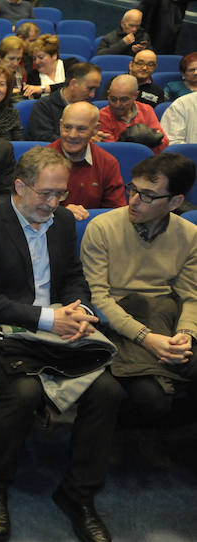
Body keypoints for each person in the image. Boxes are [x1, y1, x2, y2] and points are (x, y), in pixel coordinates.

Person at [0, 146, 122, 542]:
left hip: (59, 329)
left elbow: (73, 274)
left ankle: (78, 494)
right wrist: (49, 317)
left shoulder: (64, 222)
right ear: (20, 186)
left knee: (107, 390)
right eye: (45, 193)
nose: (53, 203)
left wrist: (79, 308)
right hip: (6, 332)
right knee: (22, 392)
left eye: (60, 194)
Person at [81, 153, 197, 455]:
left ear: (174, 202)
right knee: (152, 400)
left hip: (166, 315)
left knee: (186, 360)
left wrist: (186, 334)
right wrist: (147, 338)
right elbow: (99, 298)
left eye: (147, 196)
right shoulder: (103, 227)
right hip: (120, 319)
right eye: (133, 189)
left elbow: (189, 295)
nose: (133, 201)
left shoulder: (189, 234)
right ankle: (134, 432)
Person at [47, 102, 127, 219]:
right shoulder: (39, 161)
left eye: (81, 129)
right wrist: (59, 213)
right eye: (67, 127)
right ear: (60, 125)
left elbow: (115, 213)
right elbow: (27, 209)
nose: (72, 135)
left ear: (95, 129)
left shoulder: (107, 163)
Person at [25, 62, 102, 142]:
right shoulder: (44, 106)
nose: (92, 95)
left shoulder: (90, 109)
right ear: (73, 84)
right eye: (89, 88)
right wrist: (81, 140)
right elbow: (43, 138)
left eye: (95, 89)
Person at [97, 74, 169, 154]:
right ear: (108, 94)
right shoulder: (102, 116)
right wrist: (147, 143)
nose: (117, 104)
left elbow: (164, 143)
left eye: (124, 99)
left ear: (135, 95)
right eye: (113, 99)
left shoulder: (146, 110)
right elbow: (113, 152)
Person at [24, 34, 78, 100]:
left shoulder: (71, 64)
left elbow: (72, 86)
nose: (37, 62)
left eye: (41, 57)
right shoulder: (32, 76)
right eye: (34, 58)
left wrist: (43, 89)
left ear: (54, 56)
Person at [0, 36, 26, 103]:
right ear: (0, 57)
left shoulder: (18, 72)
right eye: (11, 59)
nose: (15, 63)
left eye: (18, 59)